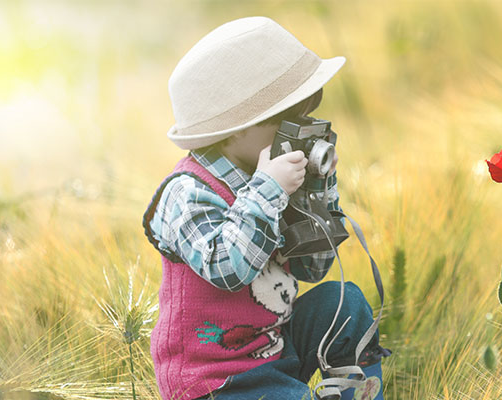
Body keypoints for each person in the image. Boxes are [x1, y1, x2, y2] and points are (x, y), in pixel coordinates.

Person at [141, 17, 389, 400]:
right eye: (287, 120)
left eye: (305, 115)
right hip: (215, 378)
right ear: (234, 129)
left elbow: (313, 269)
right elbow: (227, 270)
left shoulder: (271, 174)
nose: (299, 130)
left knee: (347, 302)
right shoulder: (187, 192)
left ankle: (355, 392)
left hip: (273, 347)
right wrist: (269, 190)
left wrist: (317, 191)